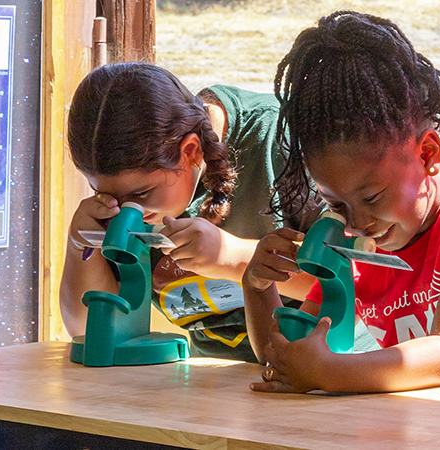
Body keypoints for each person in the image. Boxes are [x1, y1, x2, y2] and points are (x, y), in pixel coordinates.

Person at [239, 11, 440, 393]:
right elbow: (289, 360)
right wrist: (256, 286)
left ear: (427, 153)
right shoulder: (351, 243)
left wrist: (329, 374)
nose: (356, 223)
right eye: (336, 205)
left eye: (371, 197)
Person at [61, 62, 289, 363]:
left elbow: (354, 279)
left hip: (325, 378)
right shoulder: (120, 209)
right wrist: (81, 248)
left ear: (191, 151)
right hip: (209, 382)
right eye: (103, 193)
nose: (130, 212)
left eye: (141, 194)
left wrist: (232, 258)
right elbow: (89, 332)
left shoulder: (275, 138)